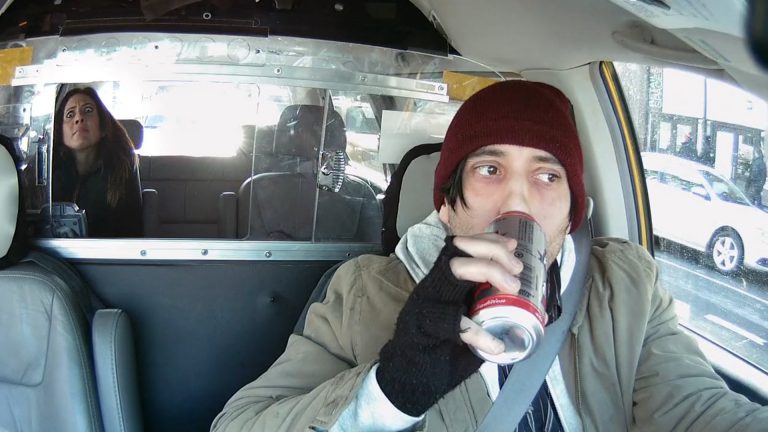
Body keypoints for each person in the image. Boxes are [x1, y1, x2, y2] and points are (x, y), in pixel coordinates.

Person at [211, 81, 767, 431]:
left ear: (572, 211)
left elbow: (698, 412)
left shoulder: (624, 285)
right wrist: (388, 389)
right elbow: (238, 424)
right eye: (490, 169)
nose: (517, 201)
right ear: (447, 204)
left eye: (547, 175)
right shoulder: (364, 290)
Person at [52, 86, 142, 237]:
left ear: (103, 126)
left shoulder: (122, 169)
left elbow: (132, 232)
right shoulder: (45, 172)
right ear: (59, 131)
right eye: (70, 114)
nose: (79, 118)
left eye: (88, 110)